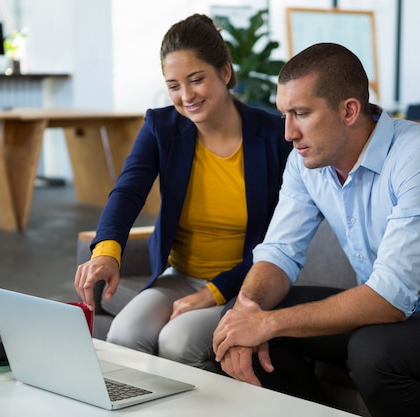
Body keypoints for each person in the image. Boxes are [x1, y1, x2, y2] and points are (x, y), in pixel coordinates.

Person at [212, 42, 420, 417]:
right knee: (236, 320)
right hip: (386, 318)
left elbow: (390, 297)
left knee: (372, 351)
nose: (288, 132)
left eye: (301, 113)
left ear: (349, 110)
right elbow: (279, 252)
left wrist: (265, 324)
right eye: (284, 114)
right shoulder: (305, 163)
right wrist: (248, 312)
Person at [74, 14, 291, 372]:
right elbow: (128, 190)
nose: (186, 96)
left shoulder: (273, 136)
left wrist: (216, 292)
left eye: (196, 80)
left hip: (248, 284)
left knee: (178, 342)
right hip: (180, 276)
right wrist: (108, 252)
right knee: (123, 337)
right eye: (173, 85)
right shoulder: (161, 127)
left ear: (224, 72)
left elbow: (281, 240)